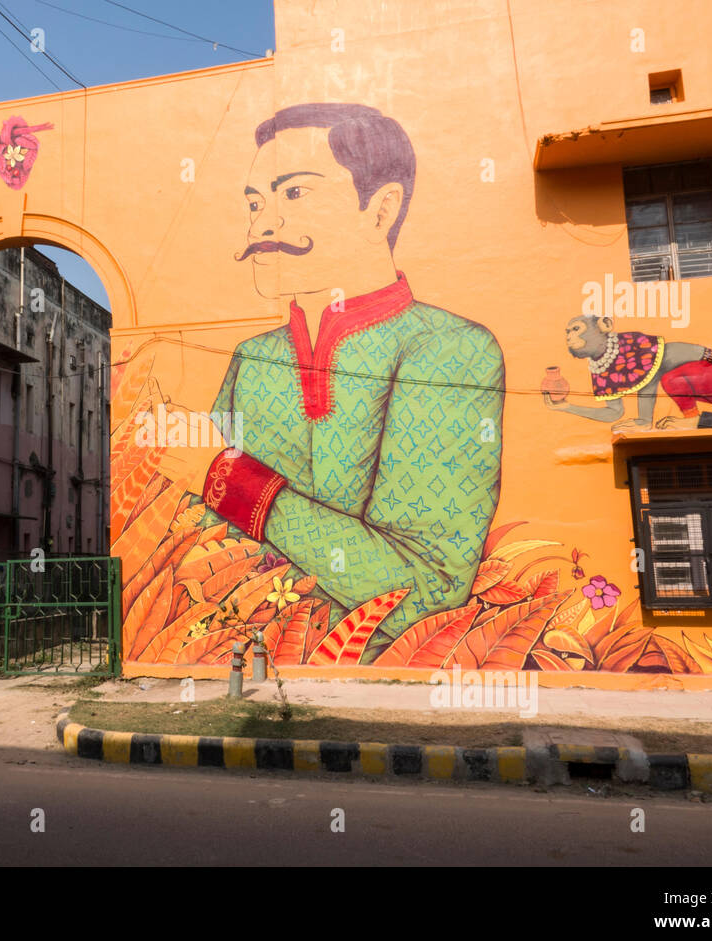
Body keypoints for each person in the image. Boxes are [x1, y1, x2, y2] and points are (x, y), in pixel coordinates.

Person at [198, 103, 505, 659]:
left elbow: (424, 593)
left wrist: (230, 480)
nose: (259, 226)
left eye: (293, 194)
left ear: (381, 209)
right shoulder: (252, 358)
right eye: (254, 203)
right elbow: (207, 546)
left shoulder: (449, 349)